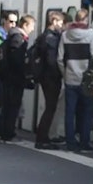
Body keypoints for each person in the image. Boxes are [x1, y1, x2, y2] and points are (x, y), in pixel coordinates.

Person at [58, 9, 93, 152]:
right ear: (86, 19)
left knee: (70, 112)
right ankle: (84, 142)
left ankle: (70, 142)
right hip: (86, 81)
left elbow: (60, 59)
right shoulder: (92, 36)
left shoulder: (65, 35)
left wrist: (66, 73)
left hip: (70, 79)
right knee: (87, 111)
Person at [0, 15, 35, 144]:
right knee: (12, 105)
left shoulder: (13, 36)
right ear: (25, 25)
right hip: (14, 78)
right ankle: (9, 134)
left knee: (10, 105)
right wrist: (25, 71)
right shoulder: (18, 39)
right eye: (31, 26)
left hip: (10, 77)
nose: (32, 29)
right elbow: (16, 60)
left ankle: (7, 133)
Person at [34, 11, 66, 149]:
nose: (61, 25)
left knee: (50, 107)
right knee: (50, 108)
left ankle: (43, 137)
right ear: (54, 21)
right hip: (51, 78)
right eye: (60, 22)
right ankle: (42, 139)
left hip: (45, 77)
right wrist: (61, 73)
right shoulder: (51, 38)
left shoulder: (43, 36)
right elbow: (52, 61)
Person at [0, 13, 18, 138]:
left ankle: (1, 127)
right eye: (11, 21)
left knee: (2, 102)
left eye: (15, 22)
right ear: (4, 21)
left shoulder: (10, 36)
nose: (13, 25)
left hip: (3, 74)